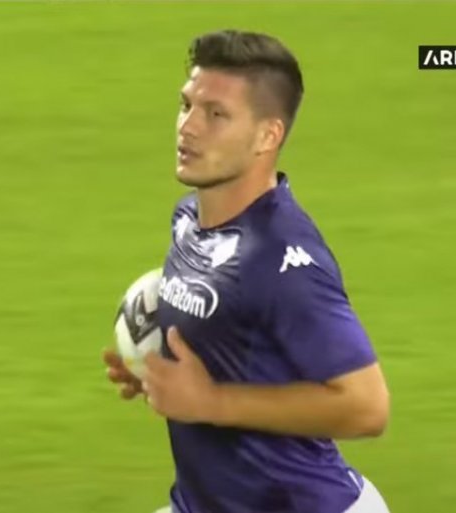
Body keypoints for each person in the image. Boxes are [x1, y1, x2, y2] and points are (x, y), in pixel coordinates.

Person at [103, 29, 391, 513]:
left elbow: (368, 407)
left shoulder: (283, 259)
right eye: (186, 105)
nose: (188, 127)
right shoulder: (188, 219)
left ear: (267, 135)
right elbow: (232, 331)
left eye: (216, 114)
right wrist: (154, 371)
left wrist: (210, 402)